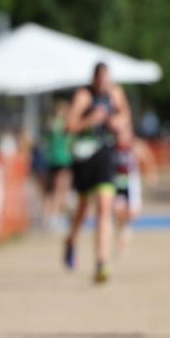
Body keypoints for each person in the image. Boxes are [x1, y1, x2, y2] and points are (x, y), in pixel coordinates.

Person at [63, 62, 131, 283]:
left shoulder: (116, 94)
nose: (104, 84)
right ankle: (71, 241)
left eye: (107, 80)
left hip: (106, 154)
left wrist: (116, 123)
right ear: (94, 79)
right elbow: (69, 125)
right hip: (84, 157)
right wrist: (90, 120)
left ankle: (101, 263)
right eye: (100, 80)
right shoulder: (84, 96)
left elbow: (126, 119)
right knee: (83, 210)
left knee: (104, 207)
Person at [112, 122, 157, 255]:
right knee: (118, 211)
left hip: (132, 183)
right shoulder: (112, 147)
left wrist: (151, 175)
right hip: (117, 182)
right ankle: (121, 233)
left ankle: (125, 231)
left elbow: (149, 159)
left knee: (133, 213)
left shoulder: (136, 146)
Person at [44, 100, 73, 232]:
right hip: (62, 160)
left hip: (53, 159)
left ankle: (52, 216)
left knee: (52, 190)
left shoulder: (51, 124)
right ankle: (56, 217)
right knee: (60, 190)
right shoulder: (63, 125)